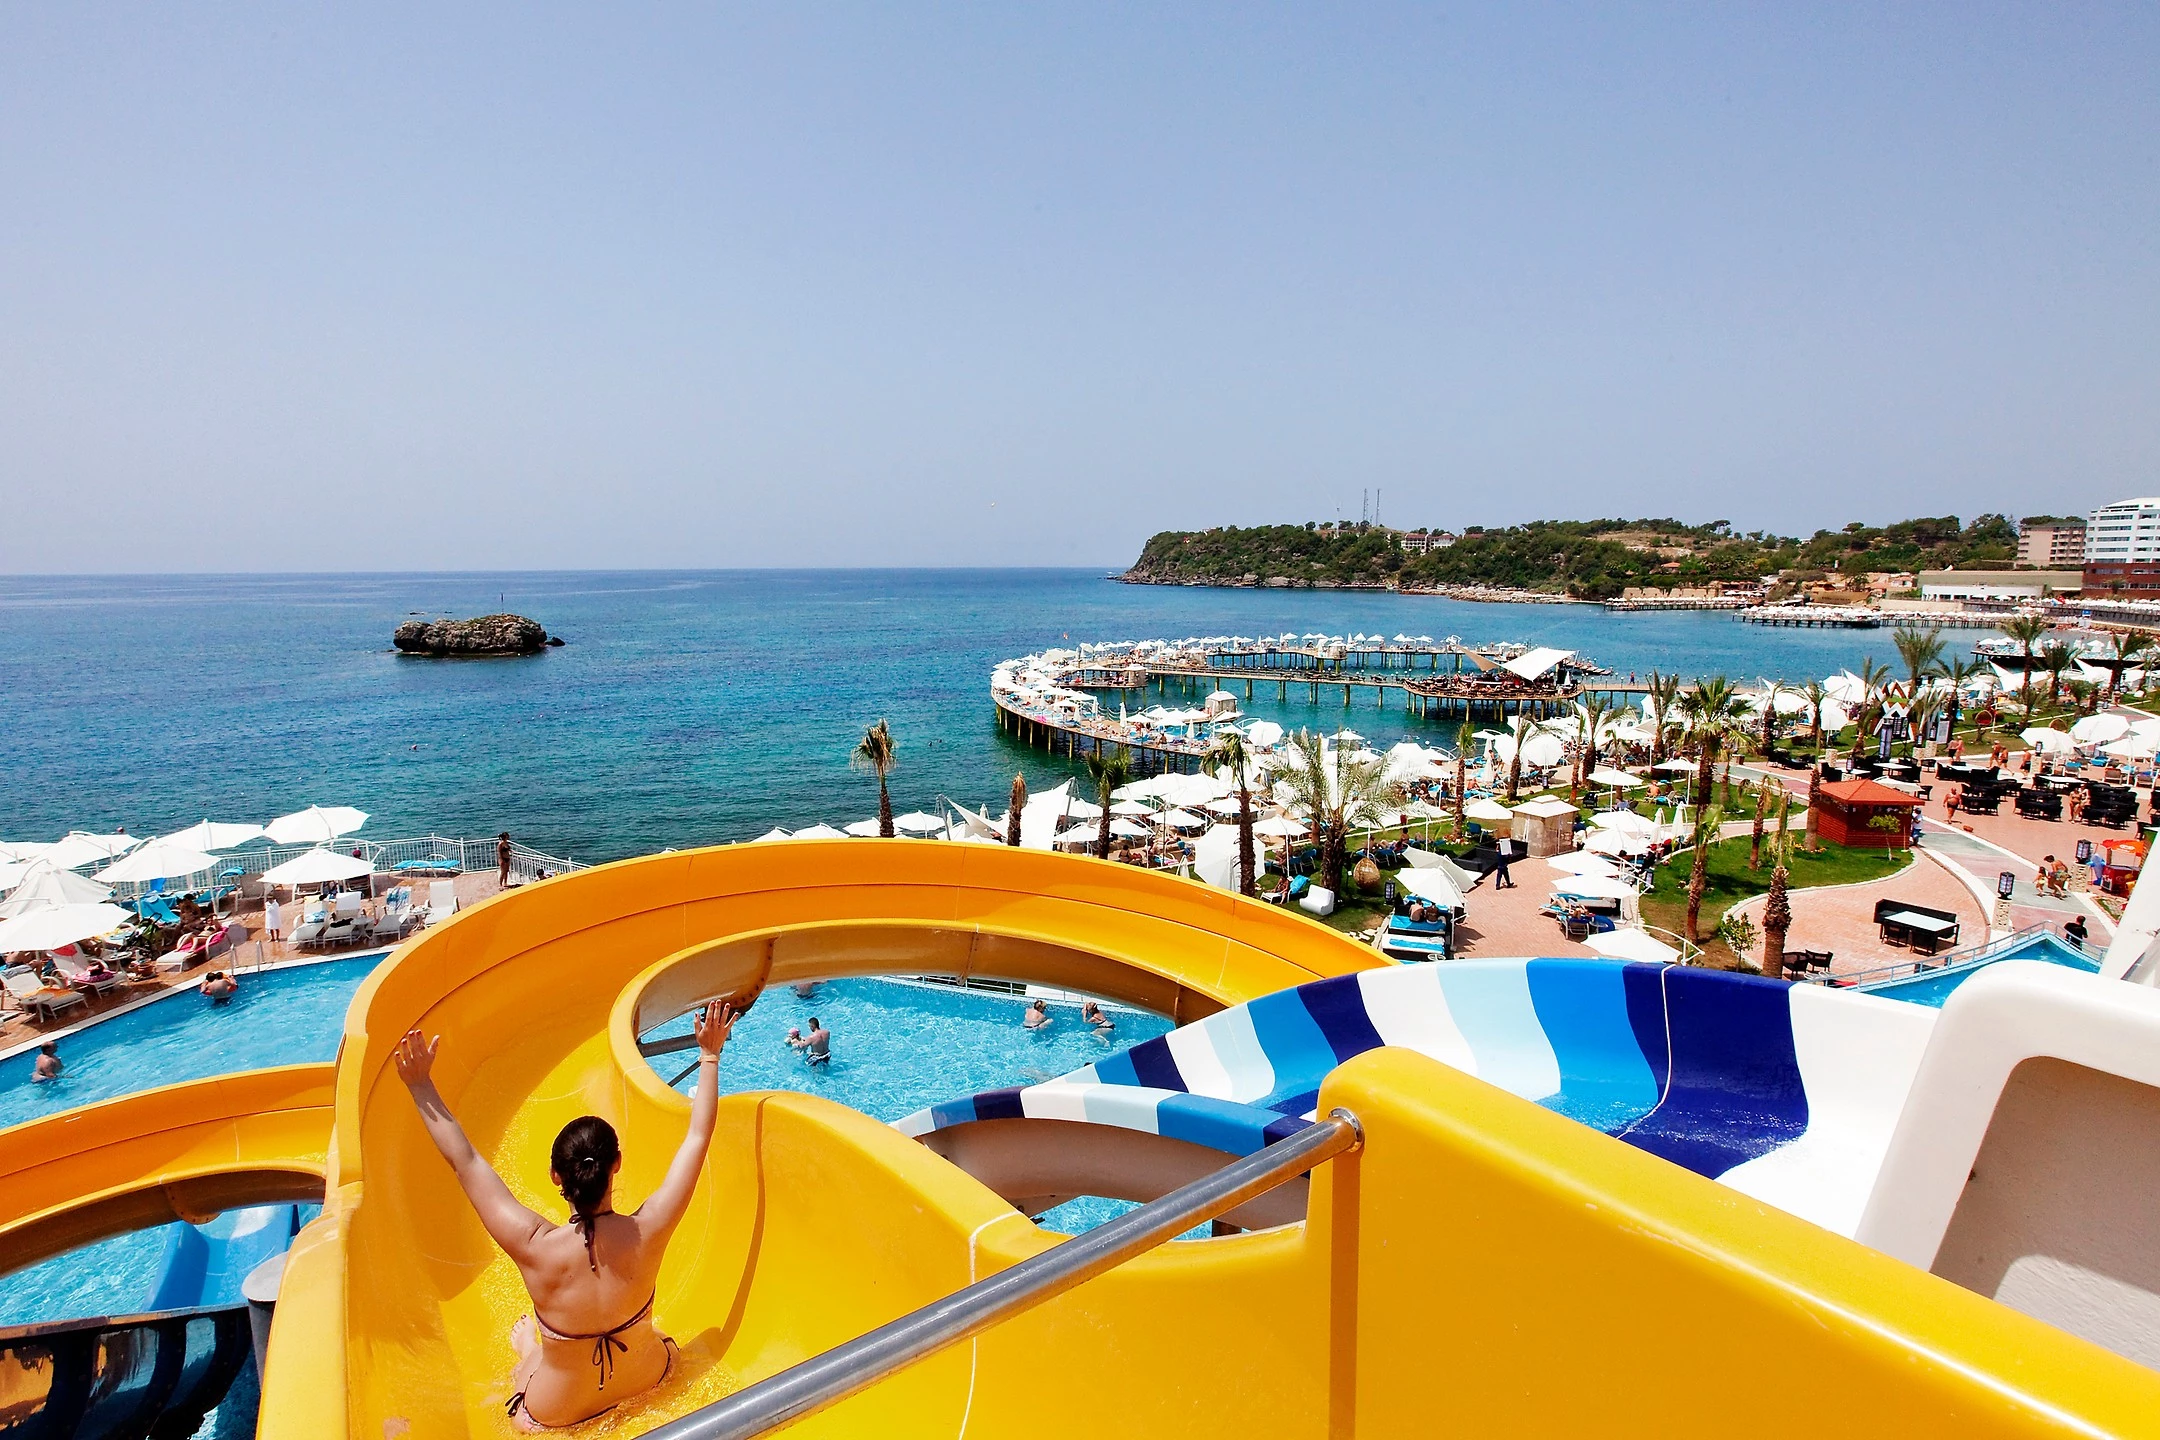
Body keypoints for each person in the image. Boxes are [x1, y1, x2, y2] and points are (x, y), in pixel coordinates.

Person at [396, 997, 738, 1432]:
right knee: (658, 1340)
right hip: (648, 1377)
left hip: (555, 1412)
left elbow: (465, 1162)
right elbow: (697, 1138)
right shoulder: (650, 1228)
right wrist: (709, 1055)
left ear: (555, 1176)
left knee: (531, 1365)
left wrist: (420, 1085)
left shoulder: (534, 1247)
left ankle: (530, 1352)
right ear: (617, 1165)